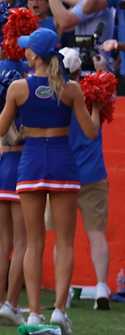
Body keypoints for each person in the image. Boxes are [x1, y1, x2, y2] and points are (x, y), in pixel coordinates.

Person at [0, 21, 103, 335]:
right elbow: (91, 131)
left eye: (28, 47)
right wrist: (96, 106)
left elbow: (2, 130)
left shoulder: (18, 88)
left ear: (34, 56)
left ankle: (34, 315)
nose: (25, 50)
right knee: (65, 241)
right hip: (62, 161)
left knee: (33, 243)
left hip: (30, 163)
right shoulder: (71, 89)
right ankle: (59, 310)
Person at [51, 49, 113, 311]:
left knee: (61, 240)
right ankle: (101, 286)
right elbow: (107, 84)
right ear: (79, 69)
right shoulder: (92, 90)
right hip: (93, 173)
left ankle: (62, 294)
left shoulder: (52, 94)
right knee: (96, 234)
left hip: (61, 175)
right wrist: (103, 67)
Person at [0, 56, 28, 327]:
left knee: (4, 243)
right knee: (23, 243)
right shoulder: (25, 102)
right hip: (21, 172)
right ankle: (12, 303)